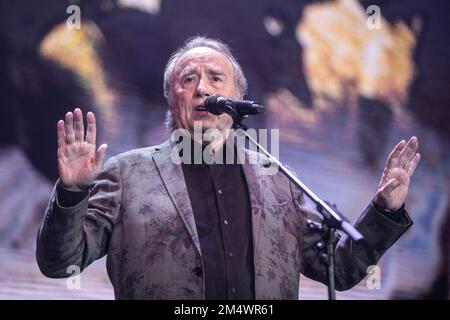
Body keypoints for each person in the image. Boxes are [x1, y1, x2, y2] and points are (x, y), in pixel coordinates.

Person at [36, 36, 421, 299]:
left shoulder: (278, 178)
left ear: (237, 98)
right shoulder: (126, 174)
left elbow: (339, 267)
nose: (203, 88)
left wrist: (383, 211)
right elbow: (60, 263)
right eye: (189, 79)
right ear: (171, 99)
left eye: (216, 78)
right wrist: (72, 193)